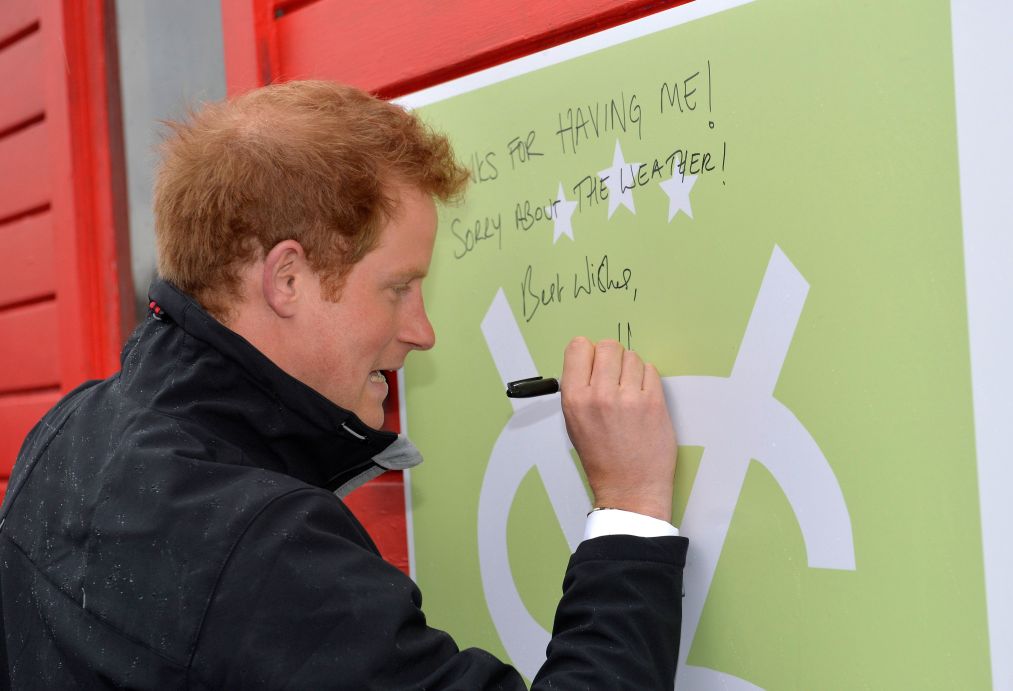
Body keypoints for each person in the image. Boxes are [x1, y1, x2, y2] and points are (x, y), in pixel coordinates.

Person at [0, 81, 687, 689]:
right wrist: (630, 507)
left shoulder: (67, 432)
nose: (422, 331)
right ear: (287, 279)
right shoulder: (267, 554)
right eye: (398, 288)